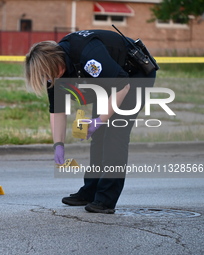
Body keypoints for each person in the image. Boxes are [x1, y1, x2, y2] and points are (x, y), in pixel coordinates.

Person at [25, 29, 157, 214]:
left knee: (114, 137)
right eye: (44, 77)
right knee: (99, 138)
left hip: (134, 76)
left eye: (48, 74)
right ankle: (90, 191)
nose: (48, 79)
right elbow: (57, 110)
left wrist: (99, 121)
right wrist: (58, 145)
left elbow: (122, 85)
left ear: (57, 62)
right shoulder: (54, 73)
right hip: (110, 83)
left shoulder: (88, 54)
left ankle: (106, 199)